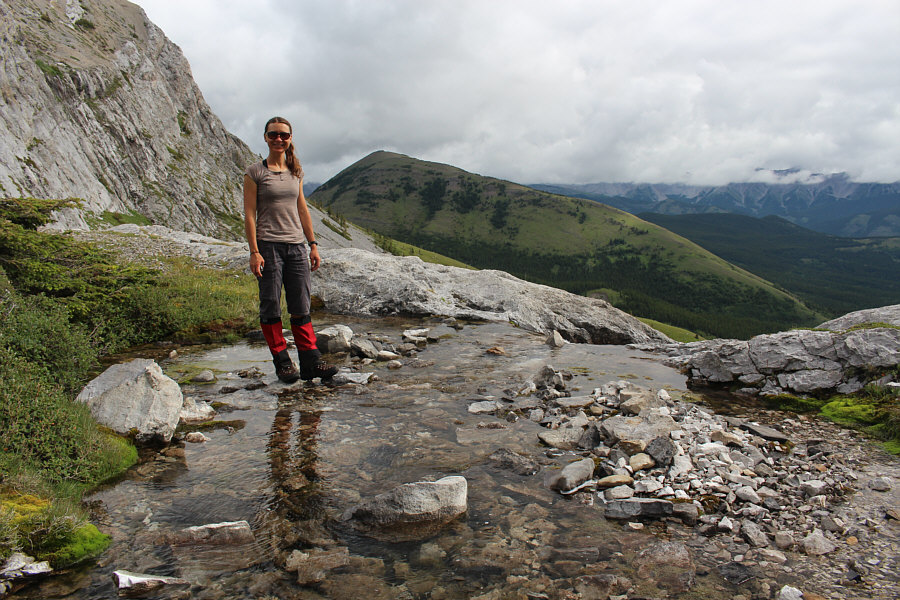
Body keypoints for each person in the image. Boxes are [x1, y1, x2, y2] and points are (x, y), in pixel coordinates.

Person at [243, 116, 337, 383]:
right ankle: (283, 363)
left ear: (290, 138)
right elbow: (249, 214)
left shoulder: (296, 171)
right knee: (271, 305)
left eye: (284, 135)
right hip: (268, 246)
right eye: (273, 135)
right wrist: (254, 251)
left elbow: (302, 209)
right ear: (265, 138)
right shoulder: (255, 172)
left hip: (296, 247)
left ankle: (311, 363)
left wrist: (313, 244)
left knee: (301, 306)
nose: (279, 139)